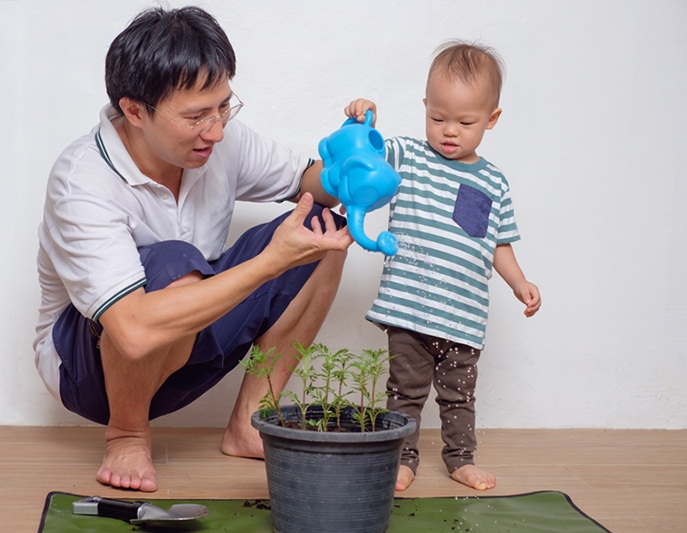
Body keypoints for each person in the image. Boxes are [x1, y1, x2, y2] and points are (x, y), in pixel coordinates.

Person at [33, 6, 352, 493]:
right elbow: (135, 331)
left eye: (224, 106)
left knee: (321, 229)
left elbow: (306, 182)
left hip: (186, 341)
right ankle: (127, 434)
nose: (217, 130)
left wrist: (348, 167)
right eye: (197, 116)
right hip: (88, 372)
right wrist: (271, 262)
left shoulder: (219, 141)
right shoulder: (82, 182)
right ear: (135, 110)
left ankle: (250, 423)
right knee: (172, 258)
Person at [345, 41, 541, 492]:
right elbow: (370, 153)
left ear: (491, 120)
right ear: (426, 108)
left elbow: (499, 244)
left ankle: (460, 458)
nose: (448, 131)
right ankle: (403, 458)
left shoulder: (493, 182)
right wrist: (364, 118)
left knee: (458, 397)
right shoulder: (410, 156)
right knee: (405, 393)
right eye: (437, 118)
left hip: (463, 316)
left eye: (465, 122)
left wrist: (519, 281)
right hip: (409, 310)